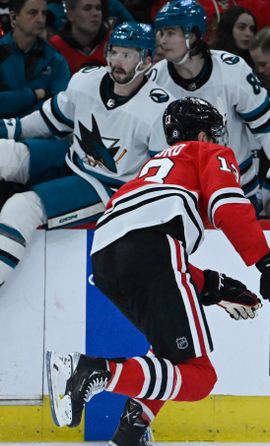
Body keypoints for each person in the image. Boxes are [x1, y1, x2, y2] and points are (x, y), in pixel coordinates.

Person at [45, 96, 270, 446]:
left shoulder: (151, 170)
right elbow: (227, 206)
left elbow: (150, 254)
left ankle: (132, 429)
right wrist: (268, 261)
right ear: (201, 133)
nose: (216, 139)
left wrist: (214, 285)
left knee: (166, 352)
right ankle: (92, 371)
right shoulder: (206, 151)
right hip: (152, 245)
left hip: (105, 256)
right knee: (199, 377)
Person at [0, 22, 169, 289]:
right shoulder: (86, 80)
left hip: (107, 189)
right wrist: (10, 128)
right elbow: (51, 120)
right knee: (3, 154)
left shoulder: (160, 109)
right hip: (73, 158)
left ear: (146, 60)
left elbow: (162, 180)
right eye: (114, 52)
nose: (118, 61)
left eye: (128, 54)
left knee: (21, 208)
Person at [150, 0, 270, 219]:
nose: (162, 41)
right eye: (160, 33)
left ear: (193, 34)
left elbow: (266, 125)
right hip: (182, 194)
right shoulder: (154, 80)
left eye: (170, 33)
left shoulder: (232, 69)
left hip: (237, 190)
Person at [0, 0, 70, 119]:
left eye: (44, 13)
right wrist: (35, 95)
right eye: (33, 13)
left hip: (41, 134)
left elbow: (59, 109)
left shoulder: (56, 60)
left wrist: (14, 99)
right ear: (13, 18)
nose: (40, 20)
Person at [48, 0, 112, 73]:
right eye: (87, 8)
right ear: (71, 15)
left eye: (98, 8)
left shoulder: (113, 42)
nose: (95, 13)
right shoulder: (55, 46)